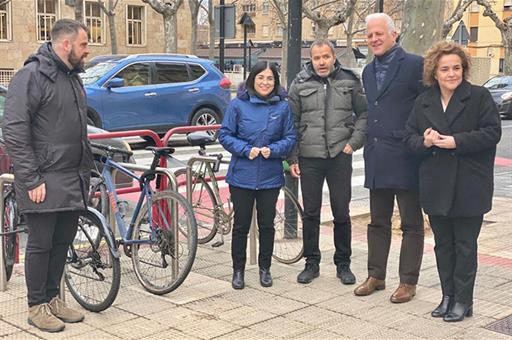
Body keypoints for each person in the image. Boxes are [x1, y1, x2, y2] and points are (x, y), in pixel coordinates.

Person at [2, 19, 93, 332]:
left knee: (62, 242)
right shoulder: (31, 76)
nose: (87, 51)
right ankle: (36, 305)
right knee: (40, 245)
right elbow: (13, 130)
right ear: (65, 45)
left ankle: (53, 299)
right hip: (43, 180)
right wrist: (31, 178)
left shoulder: (72, 77)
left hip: (71, 177)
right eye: (83, 45)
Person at [405, 41, 501, 322]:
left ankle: (463, 300)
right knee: (443, 245)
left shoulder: (480, 97)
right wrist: (424, 141)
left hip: (469, 184)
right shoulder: (423, 101)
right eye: (445, 69)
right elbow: (408, 139)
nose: (451, 74)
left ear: (464, 69)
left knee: (465, 246)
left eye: (456, 68)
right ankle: (447, 296)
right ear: (434, 72)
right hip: (435, 184)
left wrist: (456, 141)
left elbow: (492, 133)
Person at [354, 13, 425, 303]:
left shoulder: (414, 65)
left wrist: (420, 138)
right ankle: (376, 275)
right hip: (377, 156)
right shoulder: (368, 72)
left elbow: (426, 105)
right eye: (370, 35)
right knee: (377, 221)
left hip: (406, 154)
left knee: (411, 223)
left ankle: (408, 281)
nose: (374, 39)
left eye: (379, 34)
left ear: (393, 34)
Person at [287, 39, 367, 285]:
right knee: (310, 213)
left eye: (325, 57)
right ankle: (311, 263)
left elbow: (365, 114)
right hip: (309, 158)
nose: (321, 62)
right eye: (316, 58)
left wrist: (353, 143)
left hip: (339, 156)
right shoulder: (299, 83)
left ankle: (343, 264)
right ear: (311, 60)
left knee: (341, 211)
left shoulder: (350, 80)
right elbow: (291, 122)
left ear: (334, 57)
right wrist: (292, 157)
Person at [218, 61, 296, 290]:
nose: (265, 82)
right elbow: (224, 134)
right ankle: (238, 271)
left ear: (275, 82)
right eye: (261, 78)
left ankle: (265, 269)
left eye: (270, 78)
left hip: (270, 175)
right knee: (240, 226)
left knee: (267, 225)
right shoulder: (238, 105)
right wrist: (245, 149)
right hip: (242, 174)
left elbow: (290, 137)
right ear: (252, 79)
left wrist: (274, 150)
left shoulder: (283, 107)